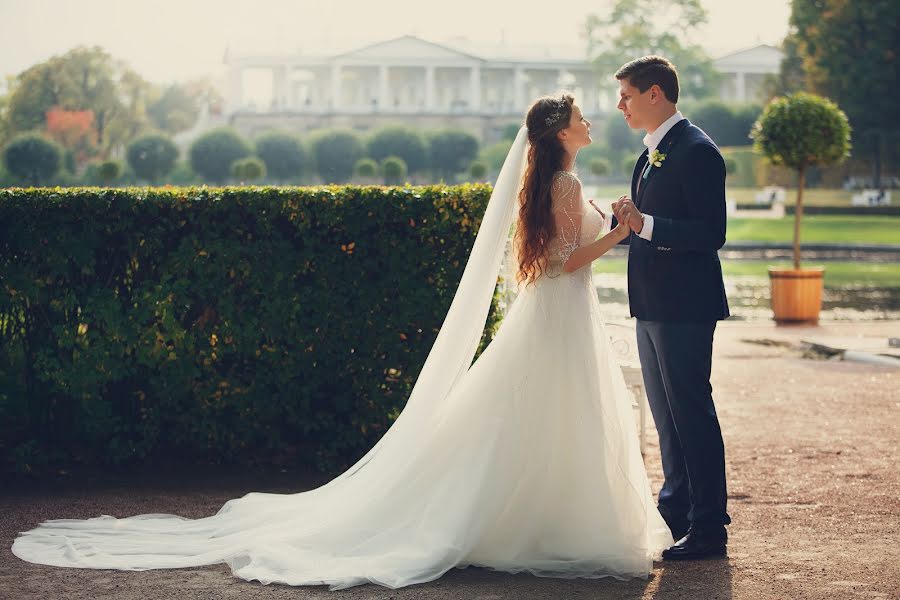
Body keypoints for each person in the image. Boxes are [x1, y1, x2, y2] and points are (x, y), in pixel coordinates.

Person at [12, 94, 672, 590]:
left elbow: (556, 251)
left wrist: (608, 225)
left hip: (555, 316)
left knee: (533, 419)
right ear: (560, 133)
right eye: (582, 117)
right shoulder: (567, 182)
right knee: (554, 417)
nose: (591, 122)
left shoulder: (557, 182)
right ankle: (541, 523)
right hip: (559, 312)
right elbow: (563, 262)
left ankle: (534, 517)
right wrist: (619, 231)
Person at [611, 56, 731, 560]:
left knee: (691, 413)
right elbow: (649, 224)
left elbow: (711, 234)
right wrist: (624, 225)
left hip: (685, 306)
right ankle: (676, 510)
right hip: (651, 304)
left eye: (627, 96)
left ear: (655, 94)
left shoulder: (698, 151)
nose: (620, 106)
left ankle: (709, 527)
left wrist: (648, 225)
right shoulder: (650, 153)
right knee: (665, 416)